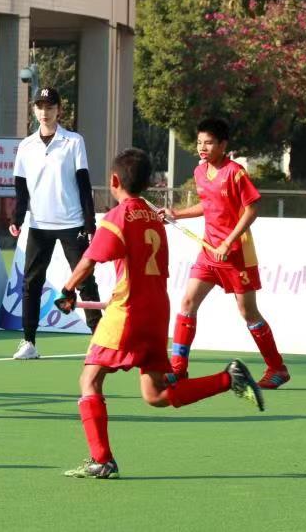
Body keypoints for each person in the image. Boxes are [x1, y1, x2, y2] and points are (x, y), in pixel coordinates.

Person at [56, 148, 264, 479]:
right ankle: (229, 378)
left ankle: (102, 459)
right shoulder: (154, 217)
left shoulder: (117, 217)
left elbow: (89, 261)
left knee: (90, 379)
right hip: (156, 311)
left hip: (128, 311)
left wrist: (67, 291)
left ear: (114, 181)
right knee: (156, 394)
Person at [159, 119, 290, 389]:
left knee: (248, 312)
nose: (202, 148)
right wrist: (176, 214)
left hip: (237, 254)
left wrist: (228, 243)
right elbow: (208, 205)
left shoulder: (235, 173)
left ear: (222, 145)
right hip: (209, 252)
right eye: (199, 142)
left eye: (208, 143)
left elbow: (251, 210)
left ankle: (277, 368)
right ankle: (179, 369)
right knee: (187, 303)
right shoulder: (199, 172)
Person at [8, 87, 102, 360]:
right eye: (40, 107)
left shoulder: (73, 142)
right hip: (39, 225)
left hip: (73, 223)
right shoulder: (26, 146)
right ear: (34, 110)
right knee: (31, 284)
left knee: (85, 281)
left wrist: (90, 223)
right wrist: (17, 218)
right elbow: (21, 189)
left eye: (50, 107)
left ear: (59, 110)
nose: (45, 112)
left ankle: (100, 341)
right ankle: (29, 342)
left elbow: (84, 185)